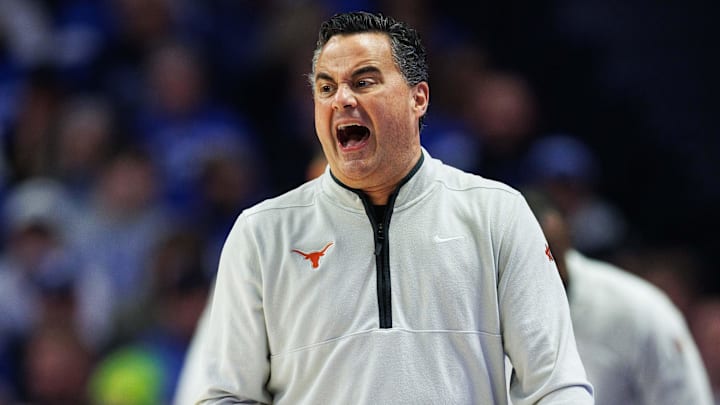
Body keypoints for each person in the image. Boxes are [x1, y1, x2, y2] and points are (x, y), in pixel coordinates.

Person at [190, 11, 592, 404]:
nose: (342, 99)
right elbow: (226, 395)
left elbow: (556, 385)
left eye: (363, 81)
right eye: (326, 88)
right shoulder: (261, 233)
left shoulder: (496, 214)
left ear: (418, 98)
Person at [521, 189, 714, 405]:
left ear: (567, 241)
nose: (547, 267)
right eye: (530, 258)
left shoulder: (637, 309)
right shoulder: (485, 310)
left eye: (552, 254)